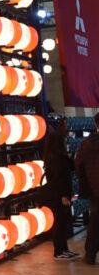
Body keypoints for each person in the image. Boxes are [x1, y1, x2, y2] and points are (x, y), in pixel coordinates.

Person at [42, 116, 77, 259]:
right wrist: (63, 196)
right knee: (59, 222)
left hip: (58, 194)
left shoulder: (55, 157)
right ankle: (59, 251)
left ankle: (64, 249)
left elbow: (71, 167)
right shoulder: (56, 159)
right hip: (58, 195)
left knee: (62, 222)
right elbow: (58, 179)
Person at [75, 113, 99, 265]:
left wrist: (86, 184)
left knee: (95, 222)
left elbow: (78, 165)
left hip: (94, 189)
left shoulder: (86, 144)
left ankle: (90, 255)